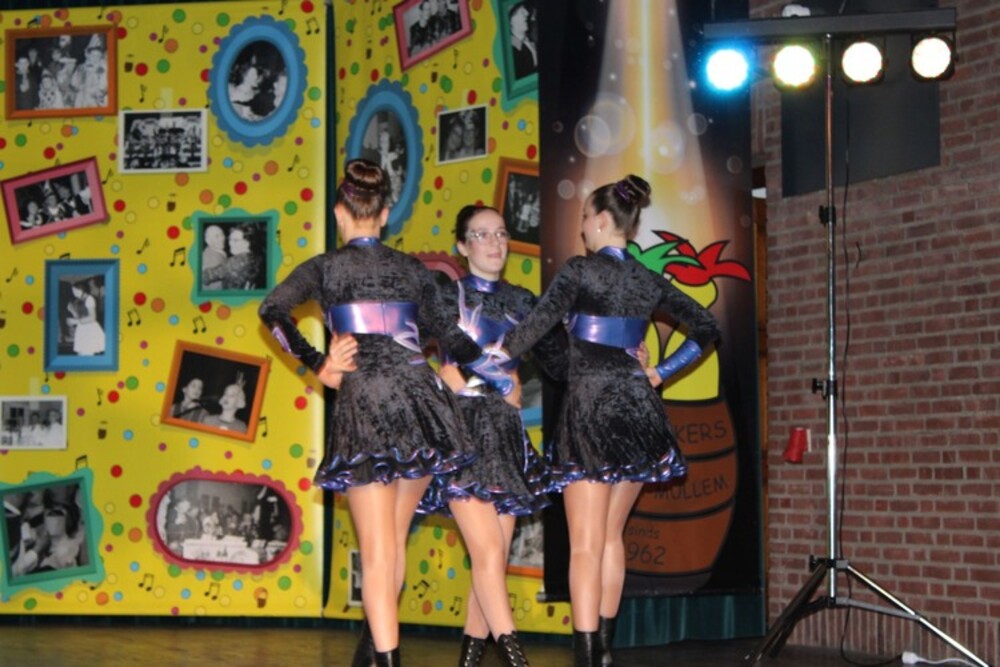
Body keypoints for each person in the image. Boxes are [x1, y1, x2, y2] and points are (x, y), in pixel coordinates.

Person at [259, 159, 499, 666]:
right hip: (418, 404)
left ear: (338, 212)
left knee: (377, 553)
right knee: (392, 545)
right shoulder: (413, 270)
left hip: (367, 403)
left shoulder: (325, 267)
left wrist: (319, 363)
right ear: (386, 214)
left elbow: (272, 310)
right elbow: (450, 337)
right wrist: (497, 369)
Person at [499, 175, 721, 667]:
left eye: (584, 218)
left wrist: (491, 359)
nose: (581, 227)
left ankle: (585, 655)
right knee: (611, 537)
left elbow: (534, 327)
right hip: (638, 411)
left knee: (584, 544)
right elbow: (707, 326)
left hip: (592, 409)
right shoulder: (645, 279)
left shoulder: (579, 271)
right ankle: (602, 652)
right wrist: (660, 373)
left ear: (602, 220)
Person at [427, 205, 567, 666]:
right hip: (461, 432)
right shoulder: (444, 296)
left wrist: (623, 359)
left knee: (493, 560)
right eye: (482, 235)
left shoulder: (524, 302)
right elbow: (404, 344)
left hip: (506, 435)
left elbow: (562, 362)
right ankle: (516, 657)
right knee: (487, 552)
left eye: (501, 233)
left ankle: (469, 660)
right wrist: (440, 378)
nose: (494, 243)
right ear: (462, 246)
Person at [201, 223, 263, 290]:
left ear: (247, 243)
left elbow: (204, 277)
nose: (230, 243)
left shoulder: (235, 262)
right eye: (230, 239)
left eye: (235, 240)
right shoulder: (256, 257)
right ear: (208, 241)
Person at [66, 281, 106, 356]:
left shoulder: (90, 299)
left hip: (89, 330)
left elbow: (92, 318)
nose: (74, 293)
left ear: (81, 290)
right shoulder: (79, 300)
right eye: (73, 291)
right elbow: (81, 317)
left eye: (75, 291)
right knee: (81, 354)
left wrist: (75, 321)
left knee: (87, 353)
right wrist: (72, 311)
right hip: (82, 329)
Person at [509, 2, 538, 79]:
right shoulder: (511, 50)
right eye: (522, 11)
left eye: (525, 10)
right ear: (512, 20)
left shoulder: (532, 34)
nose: (527, 13)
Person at [202, 225, 228, 290]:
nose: (222, 238)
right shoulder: (211, 260)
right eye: (217, 236)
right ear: (208, 241)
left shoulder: (217, 252)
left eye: (222, 234)